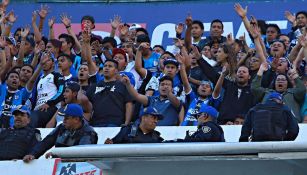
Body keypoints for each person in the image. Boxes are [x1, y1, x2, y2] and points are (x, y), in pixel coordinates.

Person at [23, 104, 98, 162]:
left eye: (66, 118)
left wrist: (58, 153)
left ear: (76, 119)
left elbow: (82, 155)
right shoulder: (61, 127)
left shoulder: (89, 133)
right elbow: (46, 142)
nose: (63, 121)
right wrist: (32, 154)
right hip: (59, 166)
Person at [86, 59, 133, 127]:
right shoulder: (94, 86)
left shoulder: (123, 86)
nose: (106, 68)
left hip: (115, 124)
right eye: (105, 66)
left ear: (116, 71)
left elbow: (129, 104)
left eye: (110, 66)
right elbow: (86, 105)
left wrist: (126, 122)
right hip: (95, 124)